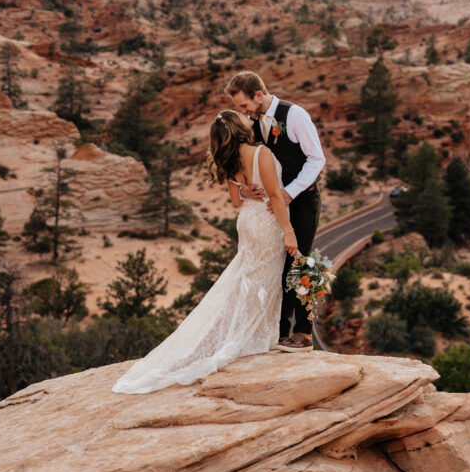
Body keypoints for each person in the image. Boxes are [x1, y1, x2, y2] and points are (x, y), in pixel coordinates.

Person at [112, 111, 296, 393]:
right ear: (238, 127)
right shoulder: (261, 153)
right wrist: (289, 232)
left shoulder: (232, 159)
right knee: (264, 279)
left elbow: (237, 199)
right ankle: (251, 339)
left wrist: (246, 190)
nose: (247, 117)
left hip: (247, 221)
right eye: (241, 116)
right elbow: (274, 196)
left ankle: (247, 335)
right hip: (266, 223)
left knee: (246, 278)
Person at [225, 71, 325, 352]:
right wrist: (246, 193)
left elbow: (317, 159)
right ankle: (278, 332)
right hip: (271, 206)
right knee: (276, 266)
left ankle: (303, 334)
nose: (242, 112)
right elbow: (241, 169)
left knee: (301, 263)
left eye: (244, 105)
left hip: (303, 199)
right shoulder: (251, 124)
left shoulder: (295, 116)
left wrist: (289, 192)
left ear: (258, 95)